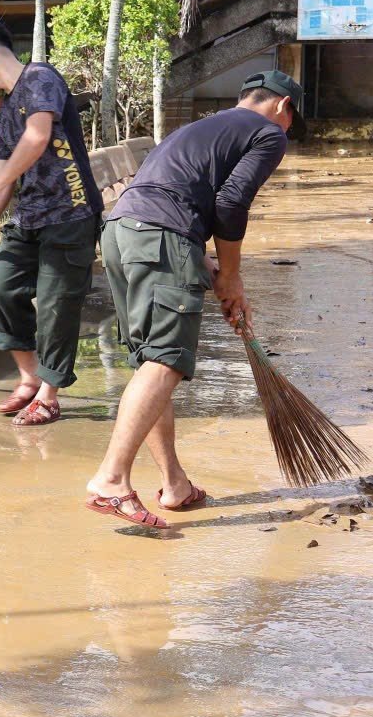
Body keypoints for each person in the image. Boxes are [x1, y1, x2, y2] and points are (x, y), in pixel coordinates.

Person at [85, 71, 303, 529]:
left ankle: (175, 484)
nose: (286, 131)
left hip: (123, 235)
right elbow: (229, 204)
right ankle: (111, 479)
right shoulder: (267, 133)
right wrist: (233, 278)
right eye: (290, 121)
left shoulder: (201, 127)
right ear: (282, 107)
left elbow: (171, 196)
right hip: (161, 236)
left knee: (153, 361)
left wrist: (206, 266)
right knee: (166, 360)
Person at [0, 22, 104, 426]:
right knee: (0, 290)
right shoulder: (3, 117)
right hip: (30, 217)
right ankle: (30, 377)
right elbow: (0, 193)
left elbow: (38, 137)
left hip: (71, 213)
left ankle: (49, 396)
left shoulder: (40, 78)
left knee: (55, 305)